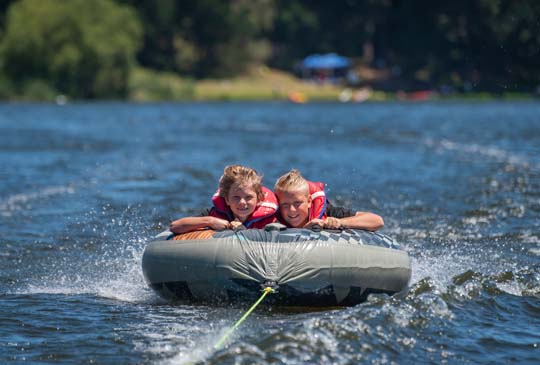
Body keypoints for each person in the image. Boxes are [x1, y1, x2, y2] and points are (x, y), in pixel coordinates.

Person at [170, 165, 277, 234]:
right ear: (227, 200)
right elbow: (174, 226)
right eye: (236, 197)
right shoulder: (214, 214)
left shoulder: (272, 220)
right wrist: (210, 221)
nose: (242, 202)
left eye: (248, 197)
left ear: (259, 199)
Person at [274, 169, 384, 231]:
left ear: (309, 201)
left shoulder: (327, 212)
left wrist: (340, 222)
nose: (292, 210)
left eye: (297, 203)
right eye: (285, 204)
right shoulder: (273, 218)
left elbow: (377, 221)